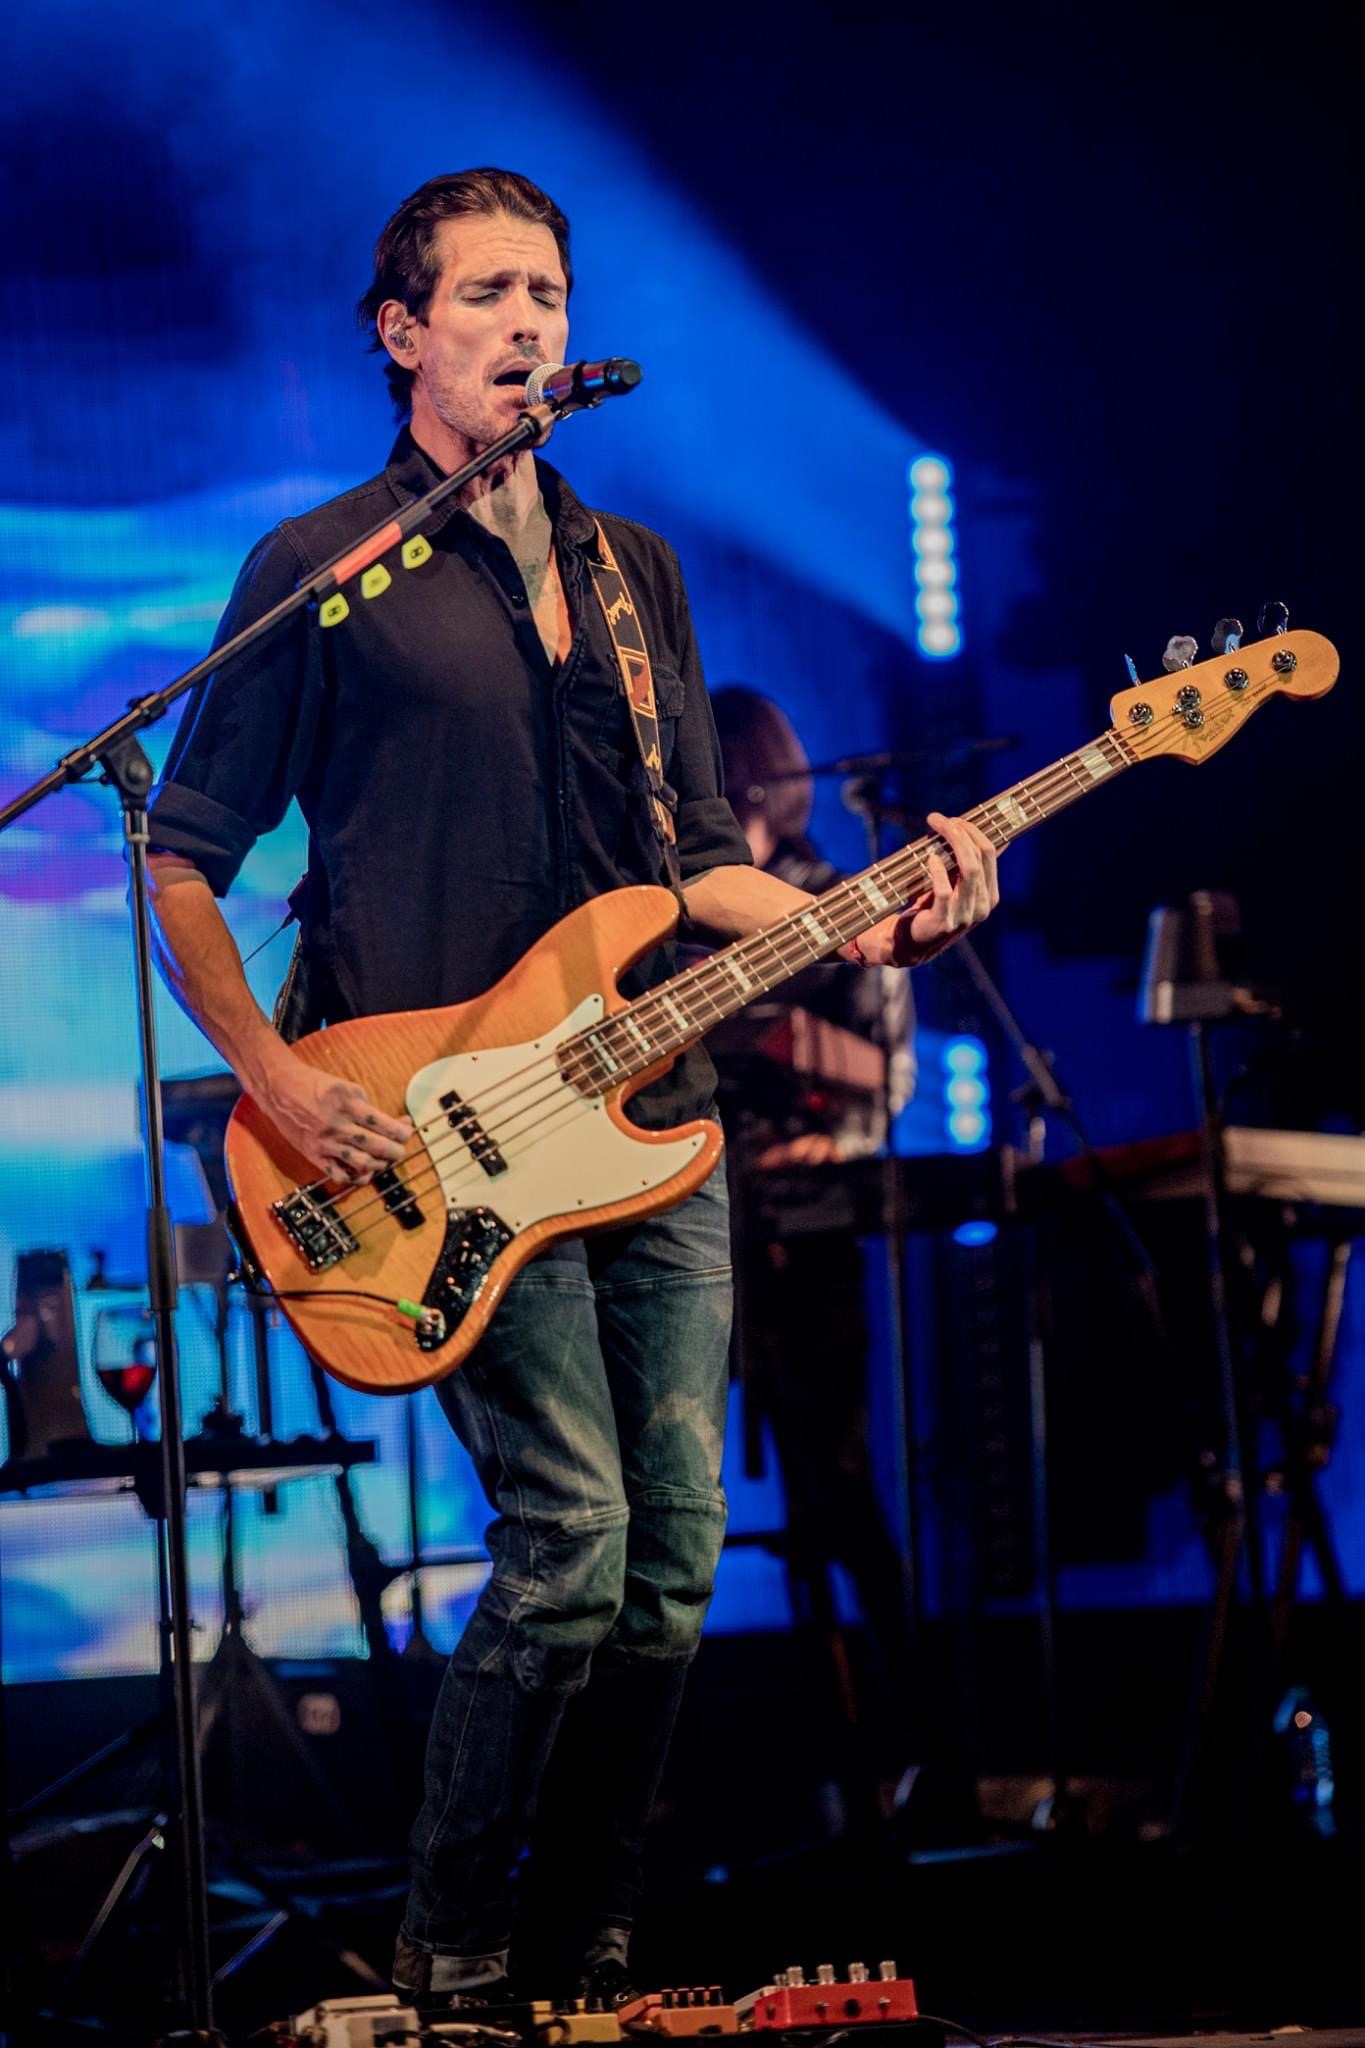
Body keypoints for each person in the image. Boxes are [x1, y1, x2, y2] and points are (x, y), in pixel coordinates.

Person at [144, 168, 1000, 2007]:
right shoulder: (319, 568)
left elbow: (697, 866)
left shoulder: (635, 576)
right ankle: (453, 1943)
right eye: (487, 294)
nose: (530, 322)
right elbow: (183, 860)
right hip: (432, 1136)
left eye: (548, 291)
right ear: (404, 333)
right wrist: (271, 1078)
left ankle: (587, 1941)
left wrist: (868, 918)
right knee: (572, 1544)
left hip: (649, 1112)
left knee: (675, 1557)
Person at [709, 687, 920, 1820]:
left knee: (836, 1485)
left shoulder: (838, 901)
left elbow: (888, 1072)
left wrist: (820, 1115)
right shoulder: (684, 904)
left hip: (807, 1224)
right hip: (700, 1210)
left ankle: (907, 1745)